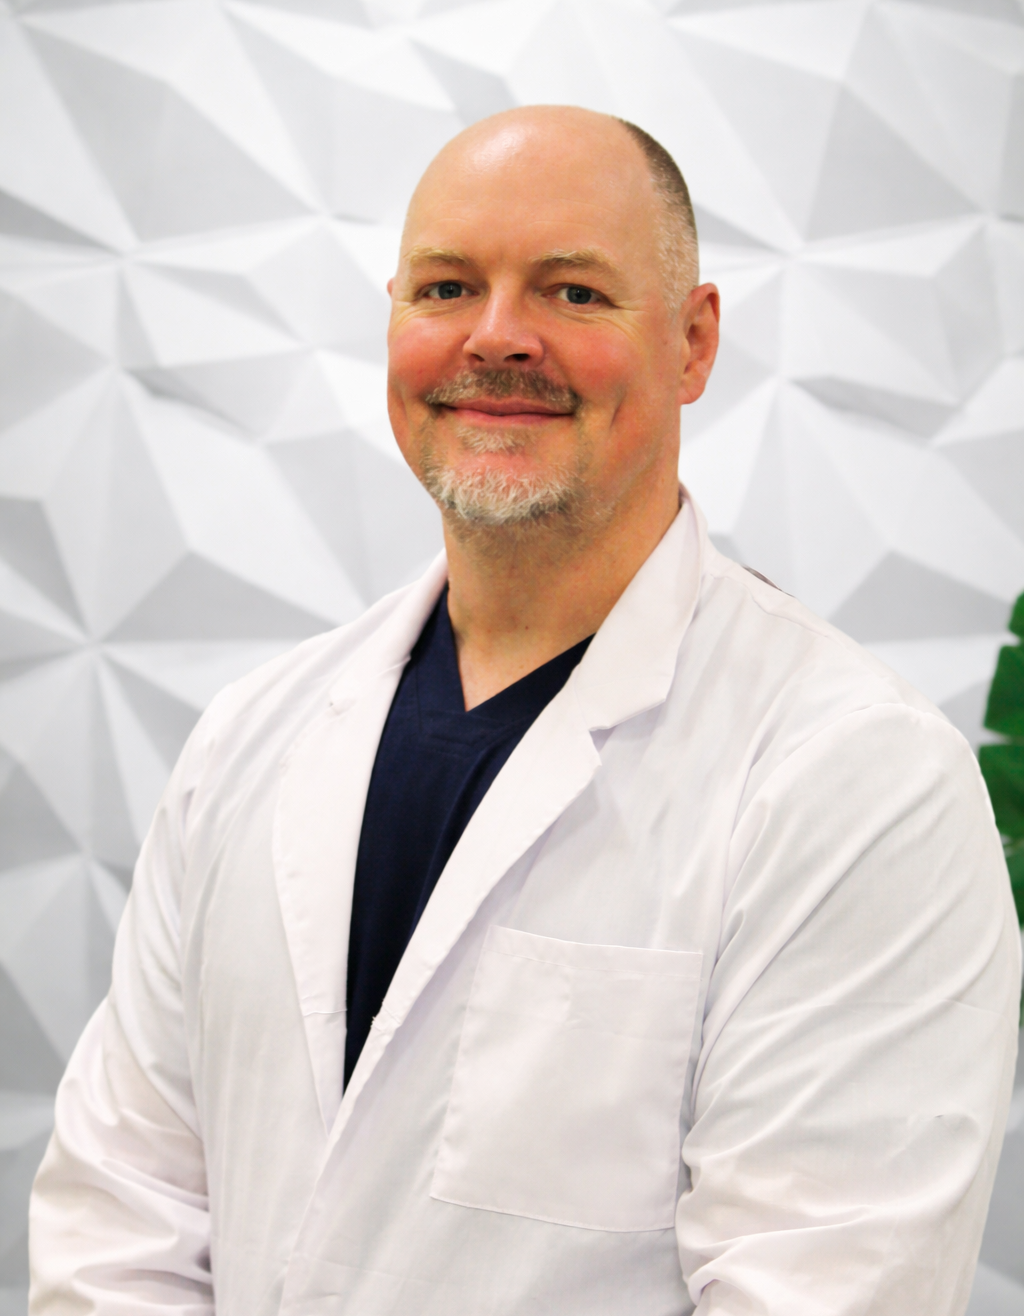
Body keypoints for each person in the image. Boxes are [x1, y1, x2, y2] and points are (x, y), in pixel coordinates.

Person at [29, 106, 1020, 1316]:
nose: (497, 339)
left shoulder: (856, 777)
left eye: (573, 294)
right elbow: (118, 1212)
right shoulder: (254, 733)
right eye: (447, 286)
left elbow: (822, 1286)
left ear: (694, 342)